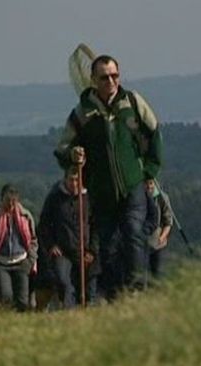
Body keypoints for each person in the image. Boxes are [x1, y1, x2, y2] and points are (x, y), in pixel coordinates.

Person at [55, 54, 162, 300]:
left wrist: (150, 171)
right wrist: (73, 154)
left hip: (132, 183)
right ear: (93, 80)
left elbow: (155, 132)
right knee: (109, 244)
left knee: (133, 232)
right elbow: (62, 149)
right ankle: (115, 294)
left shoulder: (133, 103)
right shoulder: (83, 112)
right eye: (104, 77)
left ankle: (135, 290)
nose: (111, 81)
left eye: (115, 76)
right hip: (101, 189)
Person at [38, 166, 99, 309]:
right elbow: (44, 225)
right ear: (65, 180)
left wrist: (92, 251)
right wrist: (51, 244)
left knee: (89, 288)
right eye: (71, 180)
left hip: (86, 251)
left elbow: (96, 227)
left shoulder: (88, 198)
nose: (74, 183)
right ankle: (69, 313)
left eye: (77, 180)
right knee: (64, 282)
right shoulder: (55, 198)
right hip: (63, 251)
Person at [0, 184, 38, 312]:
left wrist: (30, 260)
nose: (11, 205)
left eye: (14, 201)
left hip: (22, 261)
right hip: (1, 263)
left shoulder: (25, 216)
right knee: (6, 296)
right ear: (2, 199)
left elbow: (33, 240)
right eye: (8, 201)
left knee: (22, 300)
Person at [145, 180, 173, 280]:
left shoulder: (162, 197)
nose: (149, 187)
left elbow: (168, 222)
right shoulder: (139, 198)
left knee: (156, 275)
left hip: (158, 244)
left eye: (151, 183)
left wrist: (162, 237)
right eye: (146, 184)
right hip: (142, 243)